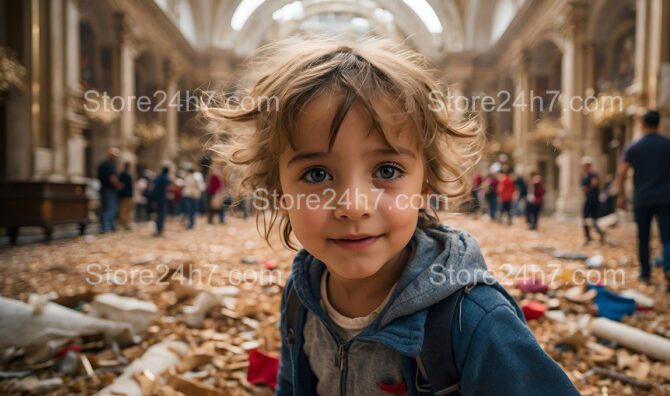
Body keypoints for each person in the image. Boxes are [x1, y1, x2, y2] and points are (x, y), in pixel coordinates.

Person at [205, 38, 577, 395]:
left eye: (386, 171)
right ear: (279, 193)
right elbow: (293, 385)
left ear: (425, 186)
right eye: (317, 174)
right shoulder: (301, 294)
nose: (353, 205)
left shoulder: (473, 321)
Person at [616, 110, 670, 293]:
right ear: (659, 124)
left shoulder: (633, 147)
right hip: (666, 198)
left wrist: (621, 196)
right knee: (669, 238)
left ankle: (645, 273)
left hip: (642, 199)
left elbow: (621, 174)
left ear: (642, 125)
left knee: (643, 238)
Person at [97, 147, 122, 233]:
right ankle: (107, 226)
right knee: (111, 208)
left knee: (105, 208)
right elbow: (112, 178)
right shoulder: (110, 165)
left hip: (103, 188)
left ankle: (105, 226)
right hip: (110, 189)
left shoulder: (102, 164)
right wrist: (118, 185)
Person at [581, 156, 605, 245]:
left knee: (594, 220)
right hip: (588, 199)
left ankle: (601, 233)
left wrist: (588, 188)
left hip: (594, 200)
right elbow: (584, 188)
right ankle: (587, 237)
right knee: (585, 218)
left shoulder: (593, 174)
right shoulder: (585, 175)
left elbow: (594, 184)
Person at [152, 166, 171, 236]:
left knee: (158, 214)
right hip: (162, 198)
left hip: (157, 197)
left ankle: (158, 230)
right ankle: (159, 230)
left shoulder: (159, 177)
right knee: (161, 215)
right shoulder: (165, 178)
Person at [117, 162, 134, 230]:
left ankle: (125, 224)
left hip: (125, 195)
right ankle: (124, 224)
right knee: (125, 210)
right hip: (125, 195)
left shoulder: (123, 174)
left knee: (125, 210)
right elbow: (121, 185)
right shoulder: (126, 174)